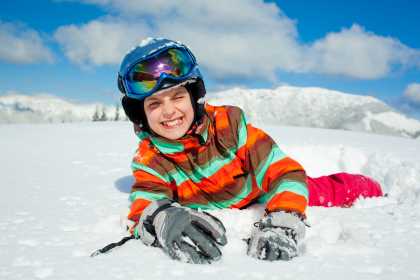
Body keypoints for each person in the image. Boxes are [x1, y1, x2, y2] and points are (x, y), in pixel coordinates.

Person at [117, 38, 383, 264]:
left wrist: (283, 218)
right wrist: (162, 218)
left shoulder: (229, 126)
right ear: (140, 113)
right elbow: (144, 203)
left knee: (317, 191)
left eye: (177, 97)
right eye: (154, 103)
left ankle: (373, 188)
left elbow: (285, 172)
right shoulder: (150, 160)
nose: (169, 111)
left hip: (261, 190)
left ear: (193, 97)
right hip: (217, 206)